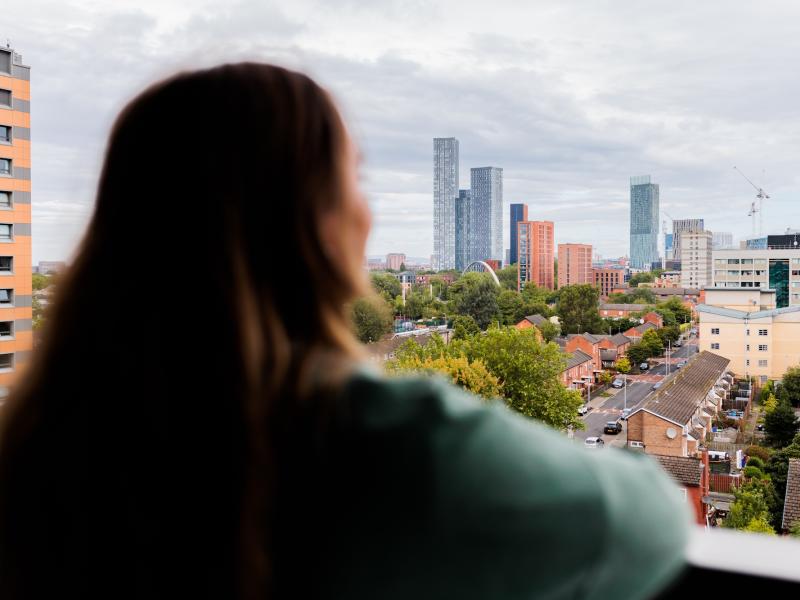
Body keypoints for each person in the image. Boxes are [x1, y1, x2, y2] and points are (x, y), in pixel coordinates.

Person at [0, 63, 689, 599]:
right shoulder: (394, 435)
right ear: (316, 223)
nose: (366, 212)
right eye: (350, 182)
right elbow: (645, 523)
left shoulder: (49, 436)